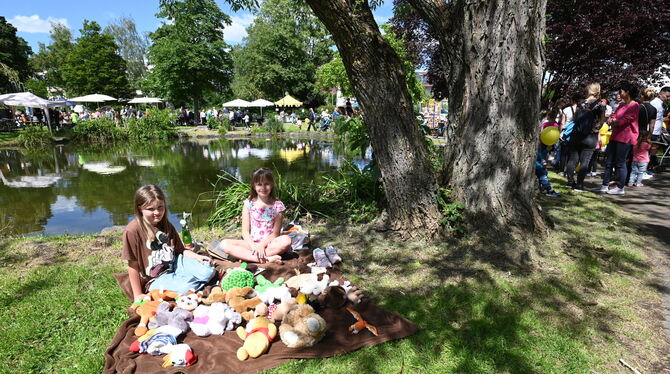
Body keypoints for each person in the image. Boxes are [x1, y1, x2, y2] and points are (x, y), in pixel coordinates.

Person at [121, 185, 214, 301]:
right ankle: (185, 284)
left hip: (176, 265)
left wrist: (196, 256)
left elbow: (181, 250)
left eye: (160, 207)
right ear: (140, 208)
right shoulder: (132, 231)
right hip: (155, 279)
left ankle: (185, 281)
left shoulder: (166, 225)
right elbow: (132, 265)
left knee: (208, 270)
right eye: (150, 209)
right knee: (185, 288)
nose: (157, 212)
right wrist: (138, 295)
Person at [212, 168, 291, 264]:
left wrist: (261, 246)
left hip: (269, 244)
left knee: (286, 240)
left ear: (272, 184)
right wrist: (254, 246)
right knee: (224, 244)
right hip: (251, 244)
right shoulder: (248, 204)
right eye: (259, 184)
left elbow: (275, 233)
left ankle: (249, 256)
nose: (263, 188)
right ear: (254, 186)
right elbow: (245, 231)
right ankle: (266, 259)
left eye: (267, 184)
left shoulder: (278, 206)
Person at [593, 82, 640, 195]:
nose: (619, 93)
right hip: (615, 135)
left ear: (627, 92)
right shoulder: (621, 104)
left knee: (620, 163)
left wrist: (615, 121)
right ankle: (604, 185)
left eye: (621, 91)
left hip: (626, 138)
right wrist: (611, 119)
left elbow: (627, 119)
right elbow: (615, 115)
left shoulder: (635, 105)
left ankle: (620, 188)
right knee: (609, 162)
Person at [565, 83, 604, 191]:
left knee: (572, 160)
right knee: (585, 162)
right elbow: (601, 122)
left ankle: (570, 182)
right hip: (590, 136)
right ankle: (579, 185)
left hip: (576, 135)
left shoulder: (581, 103)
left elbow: (575, 118)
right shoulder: (600, 105)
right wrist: (595, 130)